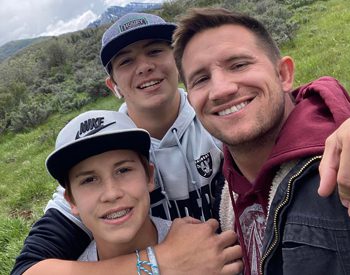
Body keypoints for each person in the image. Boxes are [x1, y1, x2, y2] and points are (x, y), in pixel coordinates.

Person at [12, 12, 242, 275]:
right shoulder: (101, 149)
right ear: (113, 86)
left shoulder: (219, 119)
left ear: (178, 61)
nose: (144, 66)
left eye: (155, 51)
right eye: (126, 61)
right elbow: (28, 268)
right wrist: (161, 262)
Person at [172, 7, 350, 275]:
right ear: (191, 101)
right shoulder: (225, 192)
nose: (221, 90)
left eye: (239, 65)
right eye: (201, 79)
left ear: (284, 75)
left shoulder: (337, 171)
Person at [47, 110, 172, 266]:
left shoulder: (203, 247)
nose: (111, 194)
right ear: (72, 201)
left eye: (123, 170)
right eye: (89, 180)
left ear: (149, 176)